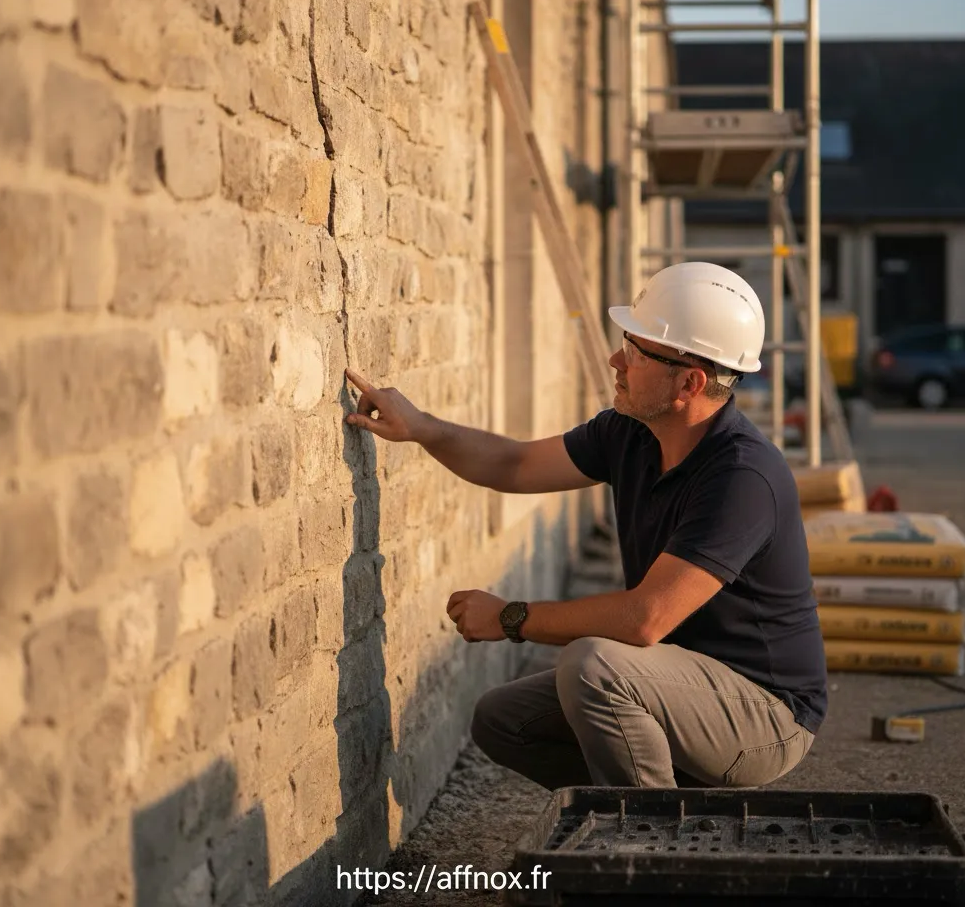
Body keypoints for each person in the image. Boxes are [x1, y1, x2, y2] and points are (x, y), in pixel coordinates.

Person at [344, 261, 827, 790]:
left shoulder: (742, 476)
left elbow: (645, 619)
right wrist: (419, 426)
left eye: (638, 352)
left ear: (689, 382)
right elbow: (514, 465)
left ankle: (650, 845)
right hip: (672, 683)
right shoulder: (629, 433)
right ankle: (667, 801)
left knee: (594, 665)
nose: (616, 359)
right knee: (504, 721)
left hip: (765, 716)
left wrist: (511, 618)